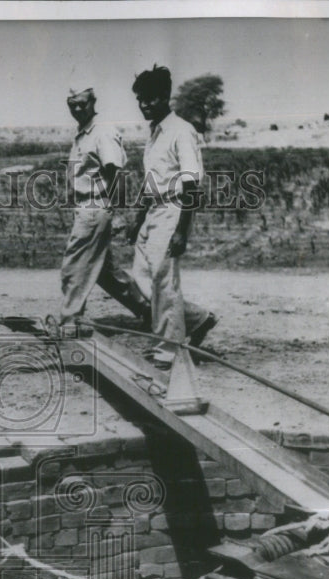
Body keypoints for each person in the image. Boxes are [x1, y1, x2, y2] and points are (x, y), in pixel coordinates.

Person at [128, 65, 217, 370]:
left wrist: (182, 231)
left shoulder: (181, 130)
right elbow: (153, 180)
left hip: (173, 211)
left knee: (163, 283)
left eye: (150, 99)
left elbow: (192, 184)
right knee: (141, 280)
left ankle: (168, 351)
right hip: (154, 211)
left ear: (165, 97)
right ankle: (196, 319)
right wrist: (139, 218)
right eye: (140, 99)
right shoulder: (154, 134)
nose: (144, 105)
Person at [56, 86, 151, 331]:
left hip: (96, 207)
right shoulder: (84, 134)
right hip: (86, 208)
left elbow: (117, 174)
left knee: (74, 267)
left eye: (82, 103)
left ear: (93, 102)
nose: (77, 108)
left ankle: (69, 322)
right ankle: (151, 311)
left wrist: (115, 213)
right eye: (72, 104)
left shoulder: (102, 132)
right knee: (106, 274)